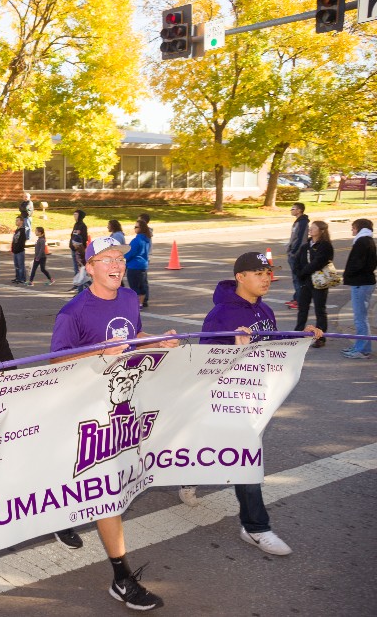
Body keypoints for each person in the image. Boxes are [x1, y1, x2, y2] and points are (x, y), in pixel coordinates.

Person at [49, 235, 179, 611]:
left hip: (122, 405)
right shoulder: (72, 312)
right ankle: (122, 579)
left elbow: (131, 336)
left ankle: (64, 512)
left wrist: (155, 341)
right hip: (85, 411)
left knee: (105, 486)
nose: (115, 264)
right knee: (107, 494)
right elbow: (55, 362)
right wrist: (97, 352)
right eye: (105, 259)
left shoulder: (127, 298)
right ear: (88, 268)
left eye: (119, 258)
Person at [180, 251, 322, 554]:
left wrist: (302, 337)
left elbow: (272, 347)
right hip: (224, 397)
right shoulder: (221, 315)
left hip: (253, 395)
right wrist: (234, 349)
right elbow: (205, 363)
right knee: (245, 457)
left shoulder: (266, 311)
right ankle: (256, 527)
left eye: (268, 272)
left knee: (221, 446)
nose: (266, 278)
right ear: (240, 277)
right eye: (258, 273)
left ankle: (187, 476)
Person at [293, 220, 334, 347]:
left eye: (313, 228)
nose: (310, 229)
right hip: (306, 282)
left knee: (320, 310)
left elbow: (318, 263)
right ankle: (298, 333)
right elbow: (297, 262)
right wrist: (299, 274)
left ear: (321, 231)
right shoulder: (305, 246)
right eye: (310, 228)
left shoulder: (325, 246)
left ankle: (320, 337)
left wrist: (303, 272)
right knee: (302, 309)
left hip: (319, 283)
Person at [341, 218, 376, 359]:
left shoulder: (361, 242)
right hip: (365, 282)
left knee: (360, 319)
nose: (352, 230)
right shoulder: (368, 240)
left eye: (353, 228)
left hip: (360, 283)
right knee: (362, 318)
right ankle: (362, 347)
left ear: (359, 228)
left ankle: (361, 350)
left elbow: (357, 264)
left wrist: (348, 274)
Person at [285, 203, 309, 309]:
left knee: (297, 278)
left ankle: (300, 301)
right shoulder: (298, 222)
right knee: (295, 278)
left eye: (293, 208)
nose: (291, 210)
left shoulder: (302, 222)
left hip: (297, 254)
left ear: (299, 210)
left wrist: (293, 252)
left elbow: (300, 239)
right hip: (294, 252)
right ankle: (296, 298)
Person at [125, 219, 151, 307]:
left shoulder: (136, 240)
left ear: (141, 228)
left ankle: (136, 304)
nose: (134, 229)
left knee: (134, 286)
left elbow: (130, 253)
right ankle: (141, 303)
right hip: (143, 265)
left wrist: (123, 259)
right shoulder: (147, 239)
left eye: (136, 227)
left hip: (134, 266)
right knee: (142, 286)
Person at [68, 209, 89, 283]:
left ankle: (81, 283)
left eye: (76, 215)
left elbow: (84, 238)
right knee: (75, 268)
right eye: (74, 214)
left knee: (80, 268)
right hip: (73, 248)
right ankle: (76, 283)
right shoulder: (76, 225)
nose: (74, 216)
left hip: (79, 250)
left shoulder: (83, 226)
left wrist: (80, 247)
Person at [10, 216, 27, 283]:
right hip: (15, 251)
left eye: (17, 220)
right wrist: (13, 248)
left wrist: (18, 248)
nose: (16, 221)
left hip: (20, 251)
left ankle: (22, 278)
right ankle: (17, 277)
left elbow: (22, 241)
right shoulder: (17, 230)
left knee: (21, 265)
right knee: (16, 265)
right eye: (16, 220)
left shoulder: (22, 231)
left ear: (21, 221)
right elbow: (14, 240)